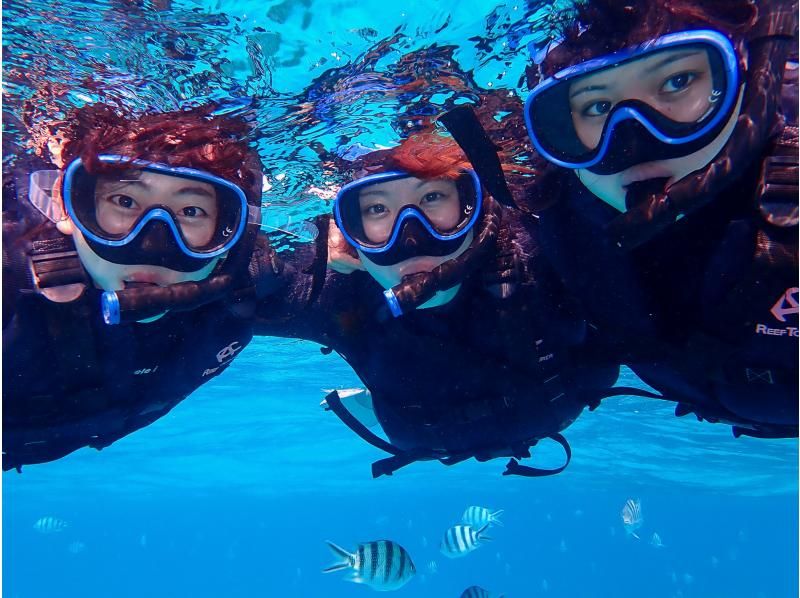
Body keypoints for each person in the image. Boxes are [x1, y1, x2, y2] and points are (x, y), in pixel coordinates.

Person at [254, 123, 623, 478]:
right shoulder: (332, 292)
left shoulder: (538, 254)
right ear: (349, 234)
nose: (411, 237)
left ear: (472, 209)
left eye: (432, 197)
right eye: (377, 210)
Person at [522, 0, 798, 437]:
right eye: (595, 107)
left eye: (677, 80)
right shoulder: (557, 230)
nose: (633, 138)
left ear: (743, 87)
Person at [2, 103, 271, 471]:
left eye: (191, 211)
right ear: (66, 205)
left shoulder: (249, 288)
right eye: (124, 201)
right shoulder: (9, 283)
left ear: (232, 231)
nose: (153, 245)